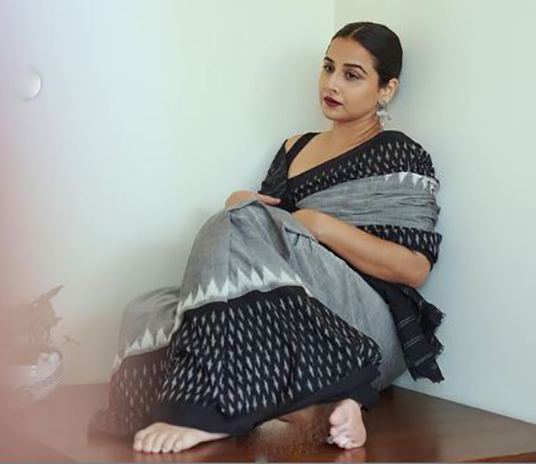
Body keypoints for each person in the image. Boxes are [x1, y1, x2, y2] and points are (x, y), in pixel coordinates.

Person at [88, 21, 445, 454]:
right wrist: (244, 204)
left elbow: (414, 269)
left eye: (352, 75)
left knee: (231, 222)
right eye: (328, 68)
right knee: (154, 310)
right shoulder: (294, 148)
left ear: (386, 89)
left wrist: (319, 224)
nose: (332, 83)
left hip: (366, 324)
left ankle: (209, 412)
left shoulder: (401, 153)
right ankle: (331, 404)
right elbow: (261, 241)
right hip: (296, 315)